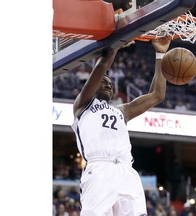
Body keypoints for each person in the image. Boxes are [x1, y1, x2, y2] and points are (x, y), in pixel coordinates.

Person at [71, 37, 171, 216]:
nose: (109, 85)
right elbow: (102, 66)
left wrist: (160, 54)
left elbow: (157, 94)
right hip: (99, 168)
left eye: (110, 84)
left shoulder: (121, 111)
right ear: (93, 85)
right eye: (104, 82)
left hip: (126, 170)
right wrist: (118, 42)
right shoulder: (82, 105)